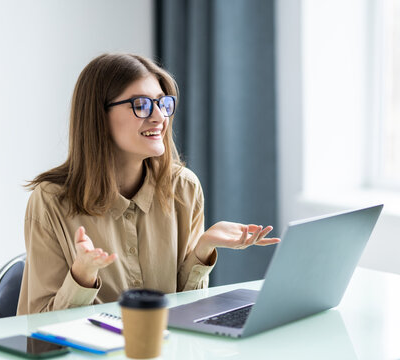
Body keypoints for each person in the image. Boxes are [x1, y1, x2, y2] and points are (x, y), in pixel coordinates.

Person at [17, 53, 280, 315]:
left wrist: (203, 247)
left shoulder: (184, 189)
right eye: (141, 105)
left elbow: (188, 312)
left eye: (163, 104)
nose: (159, 117)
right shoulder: (50, 200)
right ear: (99, 115)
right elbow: (35, 329)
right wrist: (82, 275)